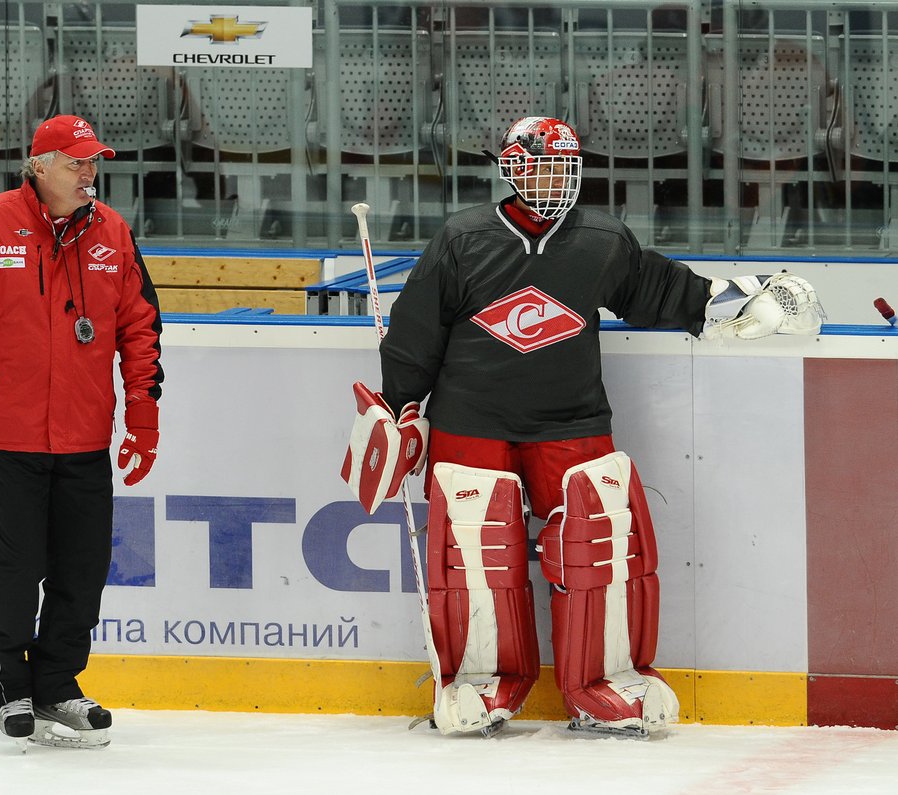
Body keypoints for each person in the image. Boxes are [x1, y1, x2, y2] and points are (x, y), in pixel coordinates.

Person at [342, 117, 823, 738]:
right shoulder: (462, 239)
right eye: (539, 166)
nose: (551, 179)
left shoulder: (600, 239)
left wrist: (742, 301)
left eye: (563, 168)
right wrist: (401, 409)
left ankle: (602, 682)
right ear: (511, 169)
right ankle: (484, 681)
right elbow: (413, 339)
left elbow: (661, 290)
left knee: (603, 540)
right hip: (471, 421)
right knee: (477, 554)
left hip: (571, 418)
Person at [0, 114, 164, 748]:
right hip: (9, 432)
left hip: (85, 434)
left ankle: (57, 686)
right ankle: (10, 687)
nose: (90, 172)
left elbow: (141, 329)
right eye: (77, 161)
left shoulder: (113, 231)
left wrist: (142, 417)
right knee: (19, 566)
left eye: (94, 161)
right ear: (40, 166)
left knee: (83, 568)